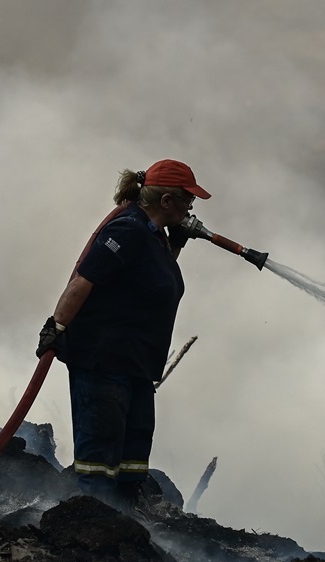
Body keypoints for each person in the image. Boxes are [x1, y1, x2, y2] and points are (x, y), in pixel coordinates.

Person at [36, 158, 210, 510]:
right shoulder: (127, 230)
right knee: (101, 450)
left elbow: (150, 281)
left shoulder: (153, 236)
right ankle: (89, 521)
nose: (191, 208)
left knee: (133, 451)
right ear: (166, 201)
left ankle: (124, 518)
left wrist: (175, 245)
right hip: (104, 361)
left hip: (136, 365)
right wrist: (57, 326)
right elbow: (84, 280)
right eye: (187, 199)